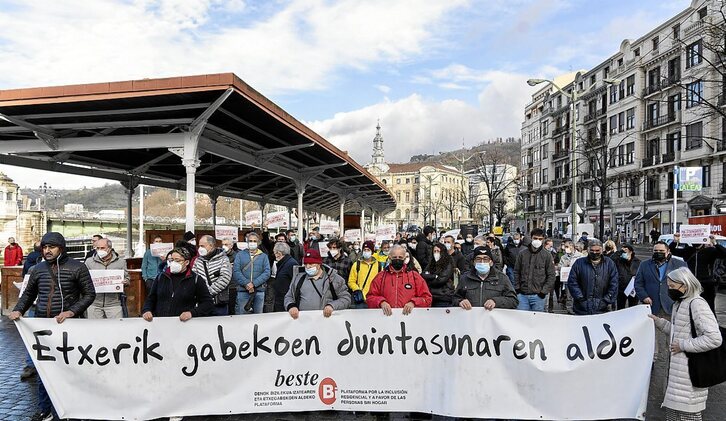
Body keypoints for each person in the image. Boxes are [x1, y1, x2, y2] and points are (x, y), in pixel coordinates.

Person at [10, 232, 96, 421]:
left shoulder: (78, 267)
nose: (47, 250)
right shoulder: (37, 269)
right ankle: (45, 410)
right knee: (44, 370)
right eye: (45, 247)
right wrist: (18, 310)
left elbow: (90, 294)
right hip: (43, 326)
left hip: (69, 326)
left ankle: (74, 409)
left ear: (61, 248)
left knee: (71, 369)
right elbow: (28, 294)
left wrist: (71, 312)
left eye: (52, 247)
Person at [649, 267, 723, 421]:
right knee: (673, 415)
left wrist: (683, 345)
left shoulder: (697, 304)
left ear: (685, 285)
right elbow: (679, 331)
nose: (670, 290)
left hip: (689, 374)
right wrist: (659, 322)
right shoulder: (680, 303)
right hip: (677, 375)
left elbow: (714, 338)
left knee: (688, 415)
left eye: (672, 286)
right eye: (668, 286)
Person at [635, 241, 688, 360]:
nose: (658, 253)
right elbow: (638, 284)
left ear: (668, 252)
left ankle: (672, 359)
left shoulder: (680, 264)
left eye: (661, 251)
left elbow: (687, 284)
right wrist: (644, 296)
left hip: (672, 306)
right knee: (653, 338)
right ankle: (653, 360)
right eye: (656, 251)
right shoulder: (644, 265)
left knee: (672, 336)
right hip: (652, 306)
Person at [142, 247, 213, 320]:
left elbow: (208, 303)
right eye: (171, 260)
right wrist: (147, 310)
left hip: (183, 323)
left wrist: (192, 313)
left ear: (186, 262)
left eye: (177, 260)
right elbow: (151, 298)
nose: (173, 263)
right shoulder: (161, 277)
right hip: (161, 322)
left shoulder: (196, 279)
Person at [366, 244, 432, 315]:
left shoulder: (414, 276)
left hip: (409, 318)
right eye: (394, 257)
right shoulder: (380, 277)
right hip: (386, 318)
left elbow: (427, 298)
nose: (397, 259)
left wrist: (414, 302)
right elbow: (370, 297)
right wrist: (381, 302)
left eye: (400, 257)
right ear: (389, 258)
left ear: (404, 258)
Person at [669, 232, 726, 315]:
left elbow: (724, 253)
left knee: (709, 307)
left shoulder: (710, 250)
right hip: (691, 283)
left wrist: (715, 243)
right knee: (690, 306)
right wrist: (675, 241)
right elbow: (672, 250)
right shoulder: (688, 250)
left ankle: (711, 322)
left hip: (707, 284)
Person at [284, 249, 351, 319]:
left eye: (311, 264)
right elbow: (289, 296)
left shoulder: (334, 279)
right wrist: (291, 306)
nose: (308, 266)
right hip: (303, 321)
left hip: (327, 321)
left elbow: (346, 299)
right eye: (306, 264)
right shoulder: (298, 279)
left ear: (319, 264)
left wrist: (332, 306)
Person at [454, 247, 518, 310]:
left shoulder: (502, 278)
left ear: (491, 262)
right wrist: (460, 301)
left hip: (493, 316)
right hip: (472, 316)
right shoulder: (465, 278)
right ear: (474, 262)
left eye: (485, 259)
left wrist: (496, 301)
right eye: (478, 259)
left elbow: (513, 300)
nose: (482, 262)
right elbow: (455, 298)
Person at [567, 239, 619, 315]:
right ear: (588, 250)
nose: (594, 252)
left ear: (602, 250)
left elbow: (614, 283)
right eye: (592, 250)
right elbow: (572, 282)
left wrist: (606, 300)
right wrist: (580, 298)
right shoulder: (579, 263)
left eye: (597, 250)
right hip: (582, 307)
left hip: (603, 308)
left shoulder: (609, 263)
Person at [84, 238, 129, 319]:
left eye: (102, 248)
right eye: (98, 248)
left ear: (109, 248)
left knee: (116, 326)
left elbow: (127, 278)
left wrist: (126, 282)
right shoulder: (89, 262)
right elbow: (84, 279)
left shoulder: (121, 262)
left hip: (114, 303)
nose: (99, 250)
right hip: (94, 303)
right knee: (94, 326)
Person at [514, 228, 555, 312]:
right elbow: (516, 271)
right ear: (531, 238)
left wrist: (543, 292)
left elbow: (551, 275)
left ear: (543, 240)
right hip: (522, 295)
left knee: (537, 319)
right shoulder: (522, 254)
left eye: (540, 239)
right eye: (535, 238)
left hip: (538, 296)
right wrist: (517, 289)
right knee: (521, 318)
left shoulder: (547, 255)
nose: (537, 241)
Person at [192, 235, 232, 316]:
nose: (200, 248)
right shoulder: (198, 260)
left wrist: (207, 293)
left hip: (219, 303)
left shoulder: (223, 259)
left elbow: (225, 278)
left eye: (202, 246)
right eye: (199, 246)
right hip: (202, 303)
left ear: (211, 246)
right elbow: (194, 278)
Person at [232, 232, 271, 314]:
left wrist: (254, 284)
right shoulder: (240, 255)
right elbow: (236, 271)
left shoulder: (263, 256)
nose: (252, 243)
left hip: (259, 290)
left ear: (258, 242)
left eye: (254, 241)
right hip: (243, 290)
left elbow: (267, 272)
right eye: (250, 241)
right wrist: (246, 283)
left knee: (258, 315)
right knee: (243, 315)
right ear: (247, 241)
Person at [348, 241, 382, 309]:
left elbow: (381, 282)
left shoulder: (379, 265)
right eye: (364, 250)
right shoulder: (356, 265)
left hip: (374, 298)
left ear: (372, 251)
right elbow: (351, 281)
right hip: (361, 299)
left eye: (368, 250)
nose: (366, 251)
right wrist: (357, 290)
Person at [421, 243, 455, 307]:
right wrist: (434, 276)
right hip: (432, 296)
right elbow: (422, 275)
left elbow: (441, 280)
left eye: (438, 251)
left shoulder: (448, 262)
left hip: (443, 296)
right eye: (434, 251)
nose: (436, 253)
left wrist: (428, 281)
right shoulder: (431, 263)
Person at [271, 242, 298, 312]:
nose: (274, 255)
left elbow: (296, 283)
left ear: (279, 253)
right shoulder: (283, 263)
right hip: (281, 299)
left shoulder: (291, 264)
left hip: (286, 301)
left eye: (274, 253)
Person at [615, 244, 641, 309]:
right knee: (620, 309)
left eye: (625, 251)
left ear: (631, 252)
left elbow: (642, 274)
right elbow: (610, 260)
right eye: (622, 251)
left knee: (633, 308)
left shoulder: (638, 262)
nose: (623, 253)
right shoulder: (619, 261)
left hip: (633, 289)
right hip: (621, 289)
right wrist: (618, 252)